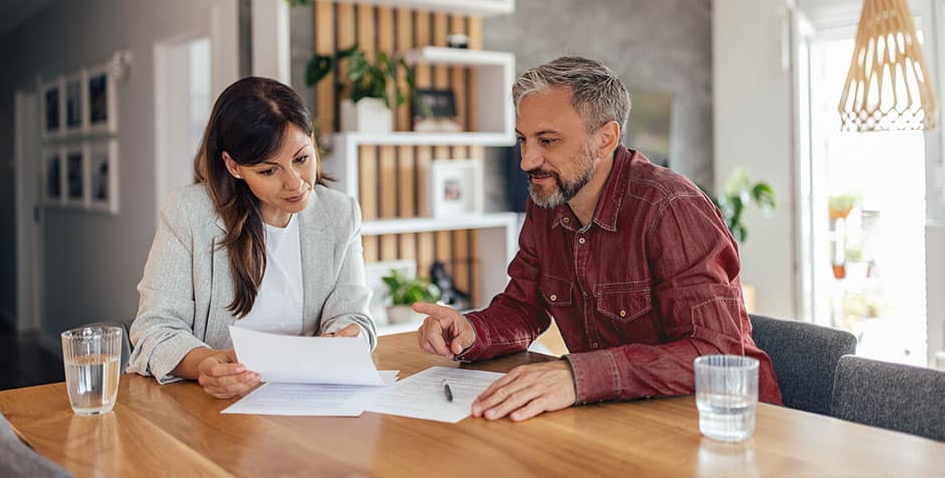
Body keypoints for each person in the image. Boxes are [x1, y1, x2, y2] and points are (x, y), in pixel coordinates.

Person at [414, 57, 782, 421]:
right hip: (625, 420)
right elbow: (523, 308)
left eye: (547, 140)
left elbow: (717, 354)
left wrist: (578, 376)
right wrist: (472, 331)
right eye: (523, 140)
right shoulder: (548, 198)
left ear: (606, 139)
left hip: (729, 427)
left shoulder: (670, 208)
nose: (527, 160)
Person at [128, 77, 375, 399]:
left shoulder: (340, 214)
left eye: (302, 159)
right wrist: (205, 363)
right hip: (211, 407)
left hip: (308, 401)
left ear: (312, 140)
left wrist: (343, 341)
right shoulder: (189, 214)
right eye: (268, 171)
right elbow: (154, 329)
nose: (295, 183)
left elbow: (354, 317)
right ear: (233, 166)